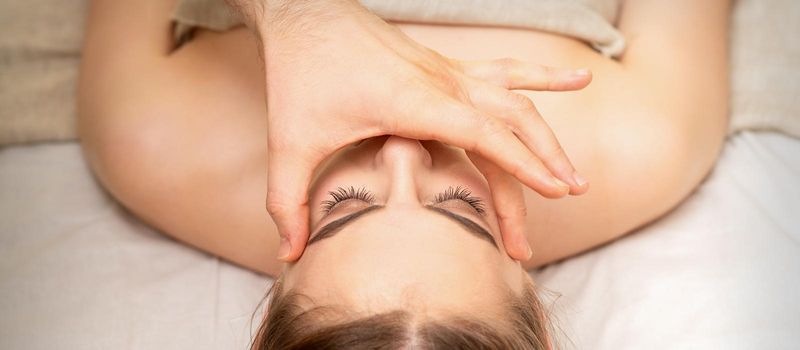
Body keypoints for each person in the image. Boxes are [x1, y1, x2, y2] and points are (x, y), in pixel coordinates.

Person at [78, 0, 730, 348]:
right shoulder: (641, 144)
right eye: (459, 206)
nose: (405, 151)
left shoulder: (155, 141)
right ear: (529, 294)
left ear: (274, 298)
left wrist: (298, 16)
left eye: (347, 204)